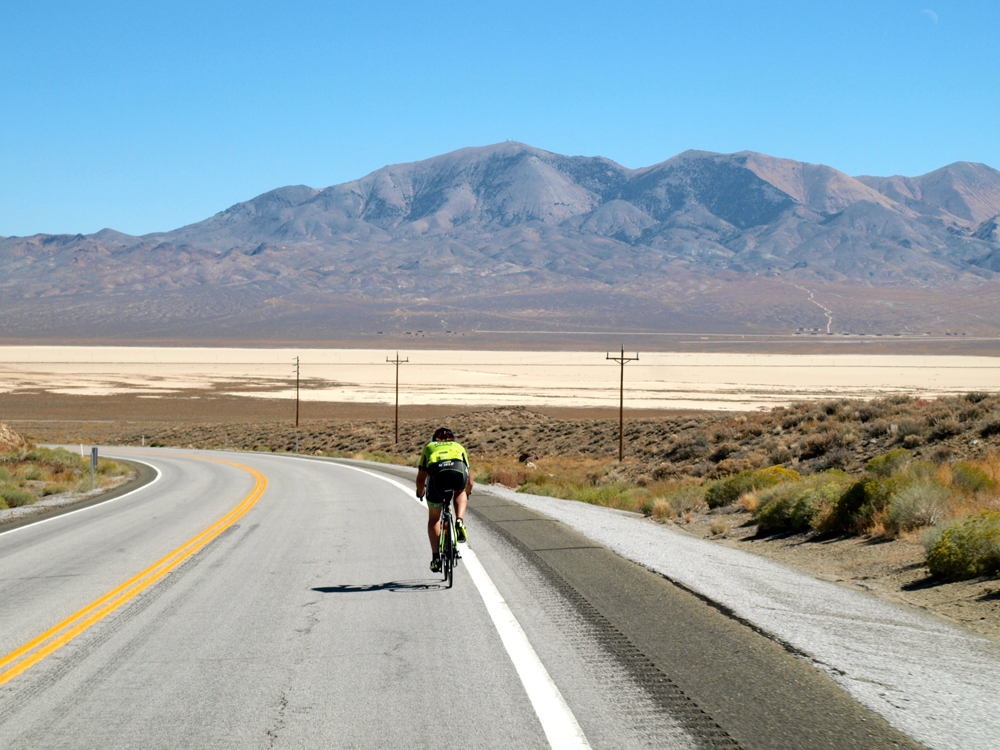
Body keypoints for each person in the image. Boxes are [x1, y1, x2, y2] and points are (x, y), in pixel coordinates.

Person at [416, 427, 473, 573]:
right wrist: (467, 492)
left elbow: (421, 477)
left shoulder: (429, 447)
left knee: (434, 518)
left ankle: (436, 558)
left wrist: (420, 492)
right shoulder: (458, 446)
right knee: (460, 491)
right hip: (457, 473)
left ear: (434, 439)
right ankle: (459, 520)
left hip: (437, 477)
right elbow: (470, 480)